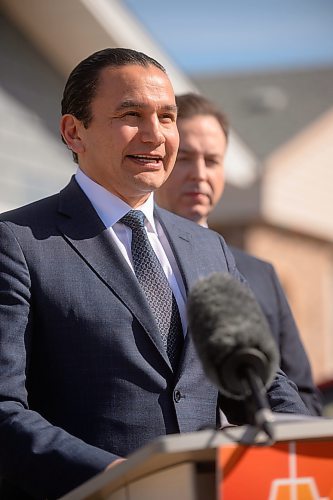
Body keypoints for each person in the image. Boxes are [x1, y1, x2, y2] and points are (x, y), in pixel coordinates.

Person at [0, 49, 310, 500]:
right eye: (131, 114)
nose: (155, 135)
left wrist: (300, 445)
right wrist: (125, 478)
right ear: (74, 131)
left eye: (167, 117)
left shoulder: (209, 247)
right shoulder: (17, 242)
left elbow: (261, 383)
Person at [155, 92, 322, 416]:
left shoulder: (260, 275)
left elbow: (303, 395)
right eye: (185, 157)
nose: (199, 174)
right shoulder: (133, 261)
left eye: (213, 160)